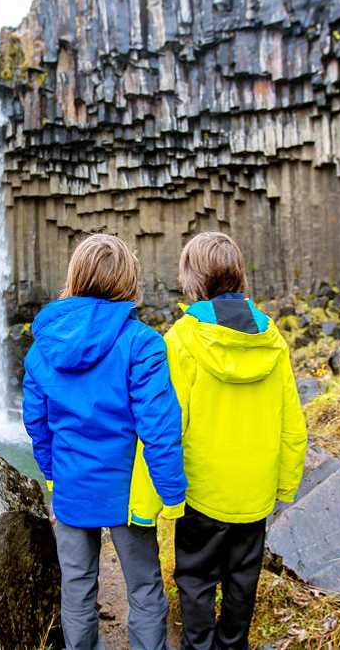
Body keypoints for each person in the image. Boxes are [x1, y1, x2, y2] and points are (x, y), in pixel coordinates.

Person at [22, 233, 188, 650]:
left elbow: (36, 424)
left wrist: (52, 475)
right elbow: (159, 426)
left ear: (74, 276)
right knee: (144, 588)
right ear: (128, 280)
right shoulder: (143, 343)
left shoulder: (44, 346)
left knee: (77, 590)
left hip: (73, 486)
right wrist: (171, 493)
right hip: (128, 493)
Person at [165, 232, 307, 650]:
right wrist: (285, 484)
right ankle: (234, 643)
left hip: (203, 491)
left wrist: (162, 491)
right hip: (255, 491)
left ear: (191, 279)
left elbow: (170, 424)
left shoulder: (182, 339)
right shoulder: (272, 339)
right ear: (239, 274)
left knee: (195, 577)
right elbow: (292, 424)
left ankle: (199, 645)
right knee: (243, 578)